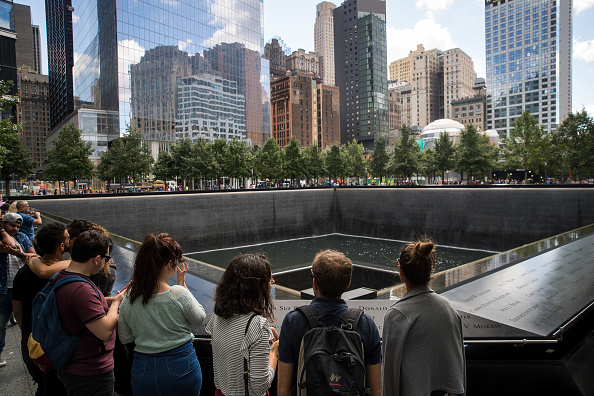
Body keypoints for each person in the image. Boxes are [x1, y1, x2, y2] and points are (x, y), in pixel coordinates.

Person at [277, 250, 382, 396]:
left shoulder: (293, 321)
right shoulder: (366, 324)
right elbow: (376, 390)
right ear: (348, 284)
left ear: (315, 283)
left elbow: (283, 390)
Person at [118, 233, 205, 396]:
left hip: (143, 369)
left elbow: (124, 337)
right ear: (168, 264)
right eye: (177, 260)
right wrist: (183, 286)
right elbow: (199, 318)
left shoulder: (129, 297)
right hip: (181, 366)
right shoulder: (178, 293)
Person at [382, 240, 466, 396]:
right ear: (430, 269)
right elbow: (456, 369)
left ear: (400, 271)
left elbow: (389, 377)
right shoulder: (448, 308)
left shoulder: (397, 315)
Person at [52, 230, 125, 395]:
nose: (107, 262)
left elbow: (81, 308)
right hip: (90, 371)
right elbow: (104, 331)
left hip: (73, 363)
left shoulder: (63, 276)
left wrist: (113, 299)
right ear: (97, 259)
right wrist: (116, 304)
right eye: (106, 258)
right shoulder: (81, 289)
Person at [205, 254, 278, 396]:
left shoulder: (217, 317)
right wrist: (274, 353)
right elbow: (259, 387)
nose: (273, 281)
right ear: (256, 287)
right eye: (269, 279)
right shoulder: (258, 325)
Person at [12, 223, 69, 395]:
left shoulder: (23, 273)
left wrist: (28, 331)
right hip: (56, 342)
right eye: (67, 238)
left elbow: (17, 311)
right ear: (61, 246)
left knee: (42, 383)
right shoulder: (67, 272)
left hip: (31, 339)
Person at [0, 213, 37, 368]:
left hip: (23, 287)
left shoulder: (22, 237)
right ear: (3, 224)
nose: (15, 229)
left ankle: (34, 350)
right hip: (4, 288)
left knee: (30, 319)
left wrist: (20, 254)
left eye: (17, 226)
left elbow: (33, 255)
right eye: (12, 225)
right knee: (1, 324)